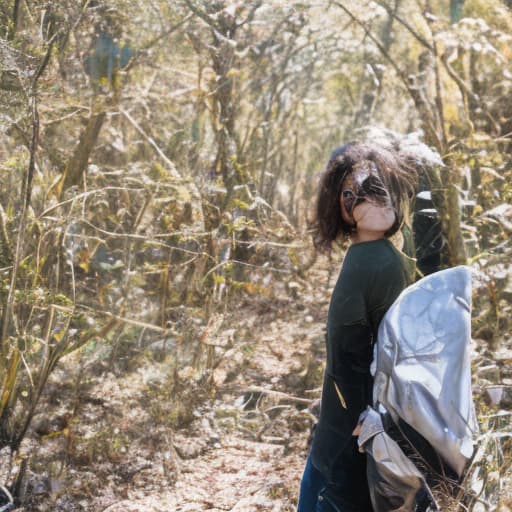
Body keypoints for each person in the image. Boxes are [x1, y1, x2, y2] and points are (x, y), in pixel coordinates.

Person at [297, 142, 417, 512]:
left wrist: (362, 416)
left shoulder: (377, 260)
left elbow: (367, 350)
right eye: (353, 192)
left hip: (357, 430)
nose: (371, 197)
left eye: (378, 185)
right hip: (351, 427)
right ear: (340, 207)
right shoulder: (373, 258)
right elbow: (349, 351)